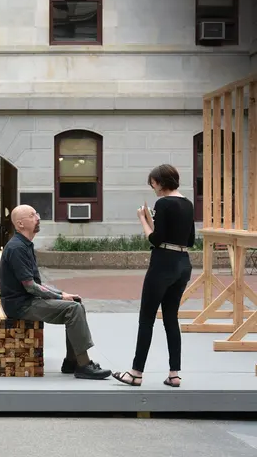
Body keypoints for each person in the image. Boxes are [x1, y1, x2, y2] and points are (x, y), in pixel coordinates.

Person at [0, 205, 111, 380]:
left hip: (28, 299)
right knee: (72, 309)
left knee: (75, 304)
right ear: (20, 224)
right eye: (32, 215)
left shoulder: (25, 245)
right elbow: (30, 287)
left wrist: (63, 293)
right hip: (20, 305)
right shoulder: (17, 248)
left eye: (36, 213)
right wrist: (60, 297)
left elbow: (36, 283)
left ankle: (71, 362)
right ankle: (83, 365)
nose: (38, 217)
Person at [113, 164, 195, 388]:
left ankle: (135, 373)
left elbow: (155, 240)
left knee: (146, 318)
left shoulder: (163, 203)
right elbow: (189, 240)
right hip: (183, 263)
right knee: (171, 318)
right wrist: (153, 223)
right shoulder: (188, 204)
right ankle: (174, 374)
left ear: (160, 182)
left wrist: (143, 219)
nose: (153, 188)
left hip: (162, 264)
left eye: (154, 184)